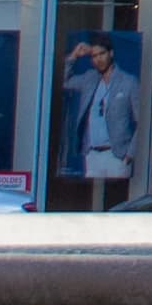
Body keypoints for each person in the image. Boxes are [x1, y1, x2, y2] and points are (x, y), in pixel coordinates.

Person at [61, 38, 141, 207]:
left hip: (117, 154)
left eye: (102, 54)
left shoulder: (128, 81)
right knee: (91, 201)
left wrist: (130, 154)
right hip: (92, 154)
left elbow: (141, 120)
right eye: (94, 56)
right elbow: (64, 81)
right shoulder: (90, 78)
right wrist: (74, 56)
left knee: (117, 200)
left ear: (111, 53)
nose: (98, 59)